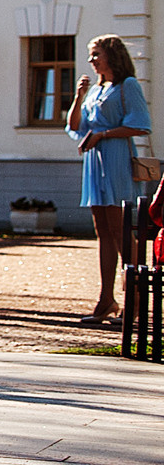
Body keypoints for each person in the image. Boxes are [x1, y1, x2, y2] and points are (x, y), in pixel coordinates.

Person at [70, 33, 150, 327]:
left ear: (111, 56)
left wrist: (103, 135)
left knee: (120, 231)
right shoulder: (96, 90)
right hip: (95, 162)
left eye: (96, 54)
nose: (91, 60)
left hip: (116, 159)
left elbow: (140, 125)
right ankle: (106, 299)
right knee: (102, 230)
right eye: (91, 55)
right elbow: (76, 126)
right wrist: (79, 97)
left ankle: (136, 301)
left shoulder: (127, 86)